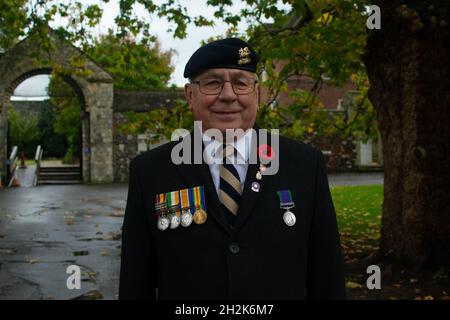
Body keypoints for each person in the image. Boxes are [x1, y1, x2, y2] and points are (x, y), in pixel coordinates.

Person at [119, 38, 346, 300]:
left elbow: (327, 276)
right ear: (190, 95)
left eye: (240, 82)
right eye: (213, 83)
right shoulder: (150, 172)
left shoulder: (305, 165)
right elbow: (135, 282)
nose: (228, 95)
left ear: (257, 94)